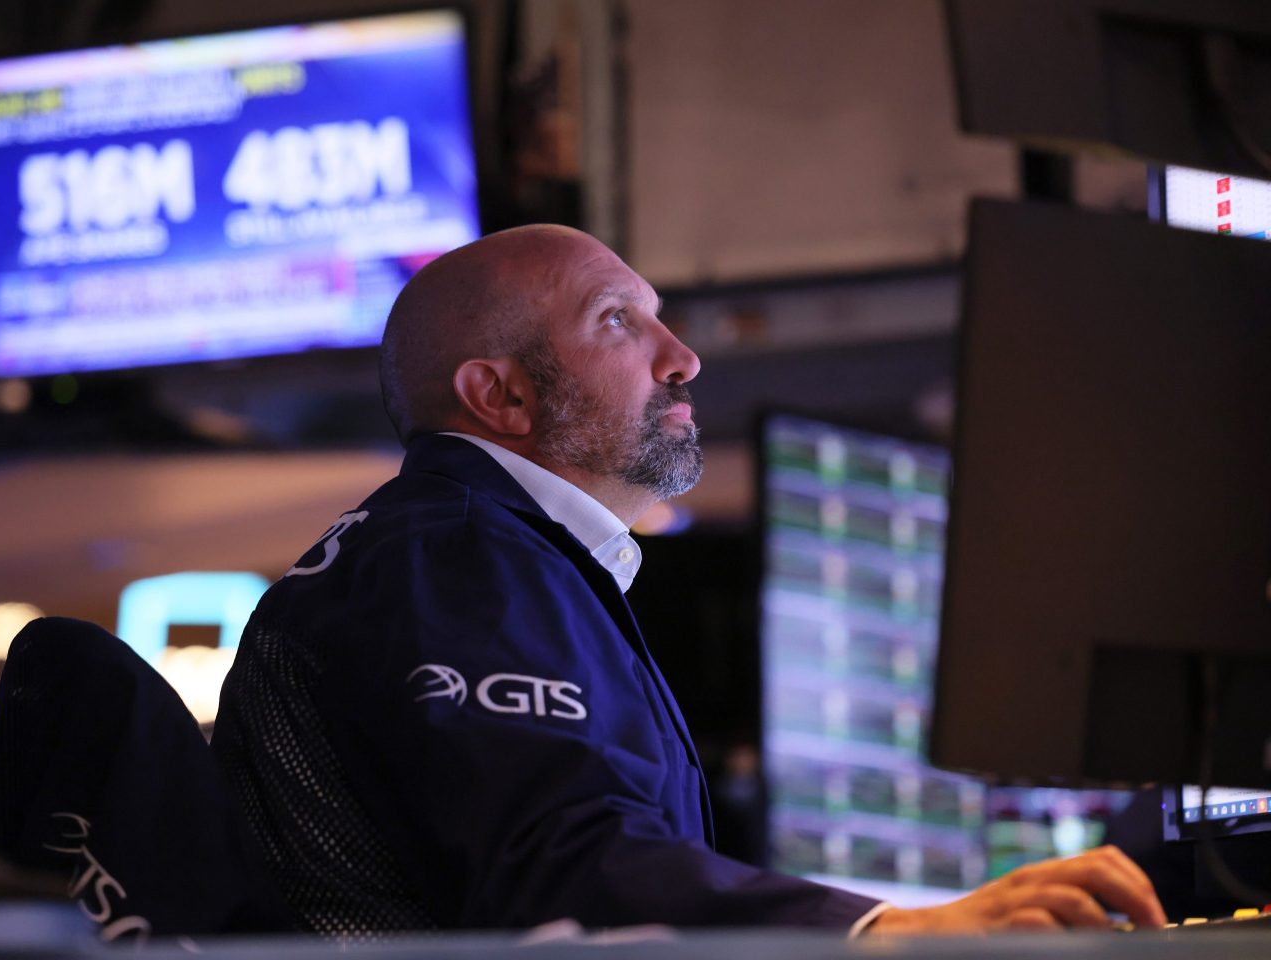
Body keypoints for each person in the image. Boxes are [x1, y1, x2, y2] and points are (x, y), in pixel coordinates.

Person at [212, 225, 1166, 937]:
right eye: (619, 321)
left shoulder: (476, 551)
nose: (684, 357)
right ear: (500, 394)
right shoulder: (459, 557)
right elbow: (565, 874)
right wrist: (890, 932)